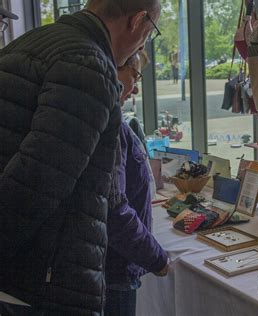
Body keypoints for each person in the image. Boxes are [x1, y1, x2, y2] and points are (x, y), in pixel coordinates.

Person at [0, 0, 162, 314]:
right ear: (138, 21)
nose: (143, 43)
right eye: (150, 33)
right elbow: (36, 183)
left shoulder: (27, 43)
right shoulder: (88, 63)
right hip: (39, 281)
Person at [105, 52, 168, 316]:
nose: (137, 87)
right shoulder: (112, 125)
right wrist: (156, 258)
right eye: (135, 73)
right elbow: (114, 210)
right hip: (115, 270)